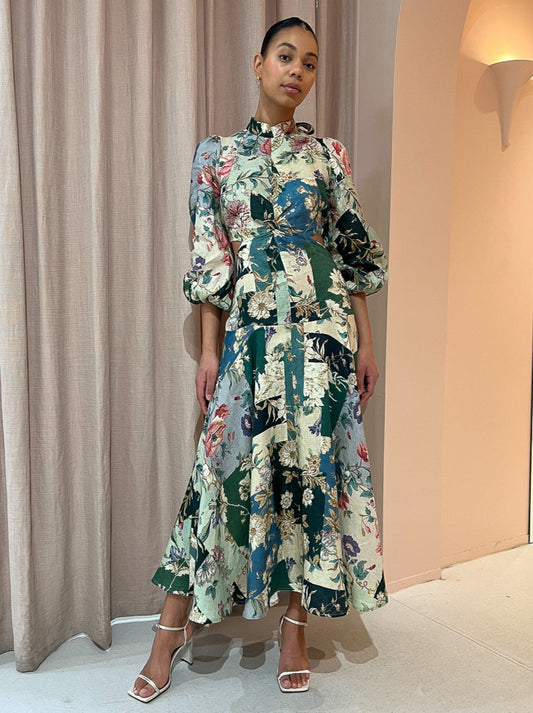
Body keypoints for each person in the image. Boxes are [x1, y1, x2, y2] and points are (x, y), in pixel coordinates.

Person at [129, 16, 388, 702]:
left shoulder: (329, 155)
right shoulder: (216, 155)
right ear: (258, 63)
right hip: (249, 338)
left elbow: (353, 256)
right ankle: (169, 629)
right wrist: (209, 353)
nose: (297, 70)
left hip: (323, 339)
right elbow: (210, 260)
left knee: (311, 476)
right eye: (285, 56)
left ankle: (294, 628)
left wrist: (365, 342)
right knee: (217, 475)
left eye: (309, 62)